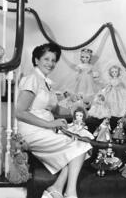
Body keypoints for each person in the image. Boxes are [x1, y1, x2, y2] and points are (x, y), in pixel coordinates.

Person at [15, 43, 93, 198]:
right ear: (36, 60)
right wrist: (51, 124)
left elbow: (55, 110)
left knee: (84, 138)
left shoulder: (46, 82)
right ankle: (70, 192)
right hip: (31, 132)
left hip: (46, 129)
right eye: (46, 59)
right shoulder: (32, 79)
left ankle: (56, 188)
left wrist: (78, 110)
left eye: (53, 60)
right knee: (80, 144)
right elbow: (20, 112)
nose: (50, 63)